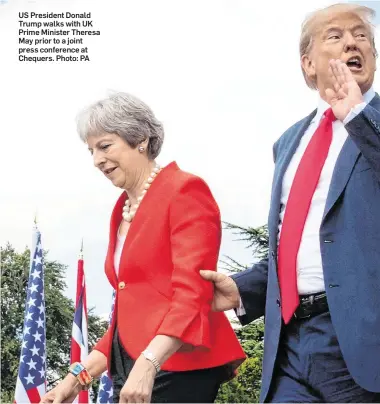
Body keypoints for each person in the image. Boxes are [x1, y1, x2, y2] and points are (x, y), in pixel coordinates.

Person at [201, 3, 380, 403]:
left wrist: (356, 113)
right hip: (290, 348)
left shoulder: (375, 121)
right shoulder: (288, 143)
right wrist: (242, 288)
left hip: (365, 345)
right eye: (335, 35)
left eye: (362, 35)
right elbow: (298, 242)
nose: (352, 41)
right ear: (307, 64)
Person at [40, 92, 245, 404]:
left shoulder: (184, 190)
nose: (97, 160)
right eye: (91, 150)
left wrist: (149, 362)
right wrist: (75, 380)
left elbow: (192, 294)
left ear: (141, 140)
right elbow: (129, 316)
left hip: (176, 363)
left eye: (105, 146)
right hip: (132, 364)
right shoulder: (121, 208)